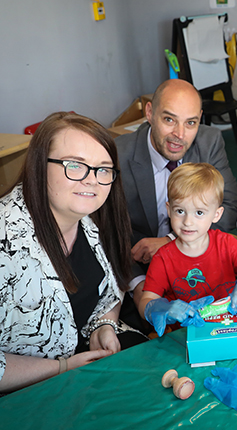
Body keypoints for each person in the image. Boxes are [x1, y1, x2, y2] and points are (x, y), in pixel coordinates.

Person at [0, 112, 142, 393]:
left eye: (103, 169)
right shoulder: (6, 239)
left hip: (84, 358)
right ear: (40, 165)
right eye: (75, 165)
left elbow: (110, 293)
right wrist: (63, 368)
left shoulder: (92, 219)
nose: (92, 180)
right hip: (26, 388)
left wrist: (105, 326)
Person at [115, 79, 237, 297]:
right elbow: (106, 232)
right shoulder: (118, 155)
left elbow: (229, 209)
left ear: (200, 119)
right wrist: (138, 287)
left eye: (190, 123)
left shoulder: (209, 143)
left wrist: (171, 241)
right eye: (169, 119)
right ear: (149, 113)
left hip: (198, 265)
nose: (180, 135)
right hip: (139, 269)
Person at [137, 163, 237, 337]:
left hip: (230, 324)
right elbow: (145, 301)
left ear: (216, 214)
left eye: (199, 212)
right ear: (169, 210)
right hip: (186, 334)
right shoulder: (163, 258)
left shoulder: (226, 243)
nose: (188, 222)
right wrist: (161, 309)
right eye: (180, 211)